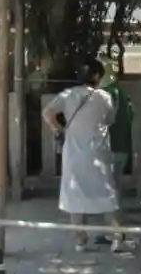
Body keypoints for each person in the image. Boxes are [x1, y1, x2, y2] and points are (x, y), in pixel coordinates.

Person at [42, 58, 133, 253]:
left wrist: (58, 129)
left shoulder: (68, 94)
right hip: (98, 154)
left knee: (74, 196)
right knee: (107, 195)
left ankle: (80, 241)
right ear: (97, 76)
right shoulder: (104, 97)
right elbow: (109, 119)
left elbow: (47, 113)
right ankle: (117, 238)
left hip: (73, 154)